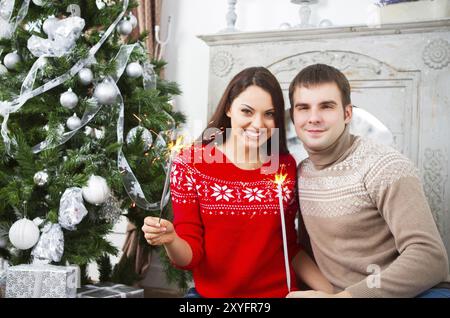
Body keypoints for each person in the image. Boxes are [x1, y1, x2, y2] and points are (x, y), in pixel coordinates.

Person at [142, 67, 332, 298]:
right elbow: (189, 257)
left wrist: (333, 293)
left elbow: (288, 245)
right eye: (247, 111)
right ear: (229, 108)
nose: (258, 124)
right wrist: (171, 240)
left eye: (269, 114)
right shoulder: (190, 164)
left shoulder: (284, 166)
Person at [286, 63, 450, 298]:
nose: (313, 118)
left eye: (326, 106)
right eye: (303, 108)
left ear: (347, 114)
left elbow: (431, 257)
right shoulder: (302, 173)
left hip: (416, 292)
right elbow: (305, 250)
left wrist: (346, 297)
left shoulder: (385, 166)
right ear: (293, 116)